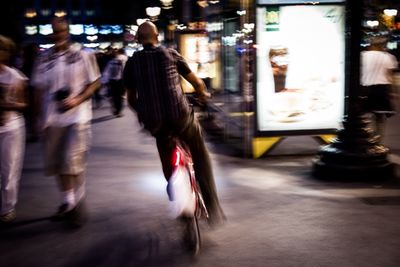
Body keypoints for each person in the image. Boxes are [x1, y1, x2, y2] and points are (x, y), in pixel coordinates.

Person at [123, 21, 225, 226]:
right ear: (157, 38)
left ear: (137, 40)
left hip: (156, 122)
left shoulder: (132, 63)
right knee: (200, 154)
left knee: (164, 148)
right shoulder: (170, 54)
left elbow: (131, 99)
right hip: (180, 116)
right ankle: (213, 207)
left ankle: (173, 188)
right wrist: (203, 95)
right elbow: (196, 82)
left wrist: (145, 114)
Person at [30, 17, 101, 226]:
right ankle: (68, 202)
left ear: (67, 32)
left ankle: (77, 205)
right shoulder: (44, 60)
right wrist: (37, 118)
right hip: (52, 119)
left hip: (77, 117)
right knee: (58, 164)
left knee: (72, 161)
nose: (57, 36)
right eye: (53, 32)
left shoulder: (82, 55)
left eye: (60, 32)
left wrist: (77, 99)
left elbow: (95, 82)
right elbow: (38, 89)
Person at [0, 35, 27, 223]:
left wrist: (6, 105)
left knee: (9, 170)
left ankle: (7, 207)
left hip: (11, 128)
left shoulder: (15, 76)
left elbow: (24, 103)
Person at [361, 36, 398, 142]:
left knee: (360, 113)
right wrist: (393, 91)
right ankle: (377, 139)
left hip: (365, 86)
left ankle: (363, 136)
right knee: (379, 116)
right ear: (383, 45)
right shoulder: (389, 57)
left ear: (371, 44)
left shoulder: (363, 55)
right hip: (382, 88)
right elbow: (390, 76)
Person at [101, 48, 127, 117]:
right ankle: (118, 110)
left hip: (114, 81)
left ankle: (117, 109)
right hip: (120, 81)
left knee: (115, 96)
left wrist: (104, 81)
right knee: (119, 97)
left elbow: (106, 72)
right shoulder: (123, 59)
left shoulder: (111, 61)